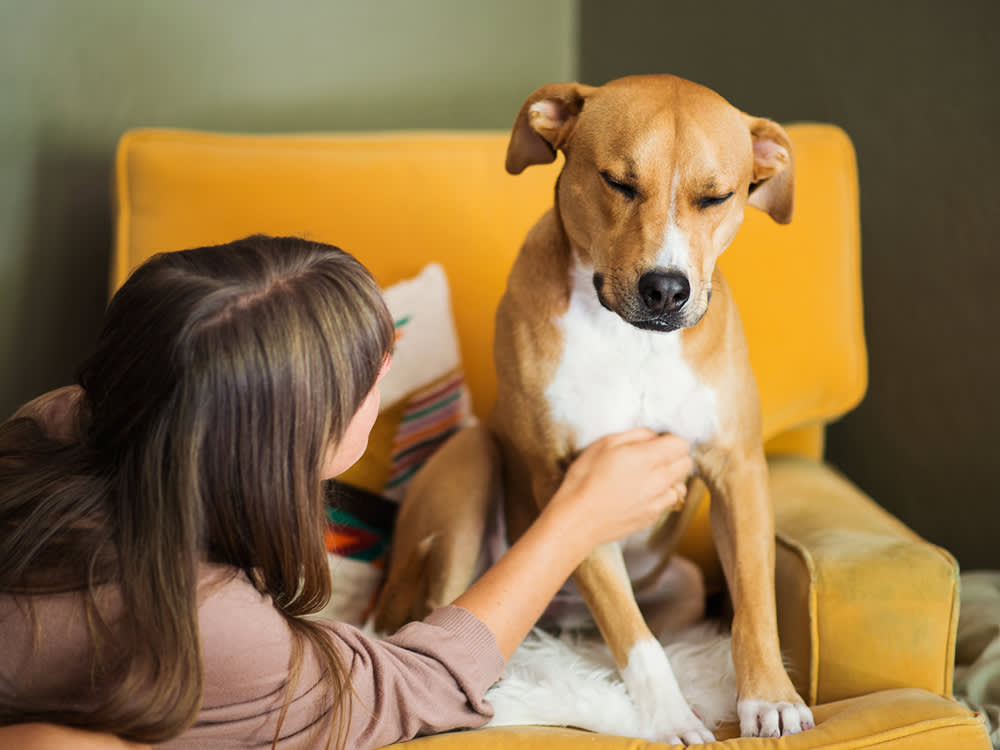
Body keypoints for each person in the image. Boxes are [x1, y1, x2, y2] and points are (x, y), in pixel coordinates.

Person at [0, 235, 695, 749]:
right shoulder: (210, 623)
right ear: (292, 445)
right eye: (371, 373)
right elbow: (413, 686)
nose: (387, 367)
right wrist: (573, 521)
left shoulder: (53, 420)